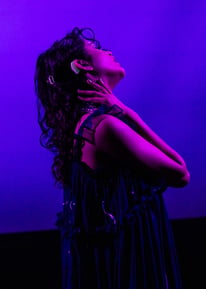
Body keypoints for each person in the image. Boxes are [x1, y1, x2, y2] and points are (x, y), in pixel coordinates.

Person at [34, 27, 190, 289]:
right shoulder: (104, 127)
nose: (107, 50)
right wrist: (128, 113)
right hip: (132, 260)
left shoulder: (87, 126)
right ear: (81, 64)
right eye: (96, 47)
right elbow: (181, 173)